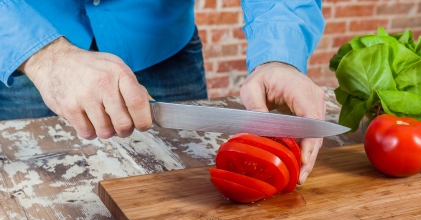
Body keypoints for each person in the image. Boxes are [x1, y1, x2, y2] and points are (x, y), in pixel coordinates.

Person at [0, 0, 325, 184]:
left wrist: (280, 54)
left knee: (187, 184)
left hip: (165, 49)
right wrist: (43, 56)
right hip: (23, 62)